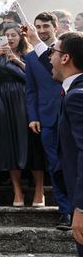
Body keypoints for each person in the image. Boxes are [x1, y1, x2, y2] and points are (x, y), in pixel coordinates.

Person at [25, 12, 73, 229]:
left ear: (55, 26)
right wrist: (33, 116)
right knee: (55, 166)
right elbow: (31, 90)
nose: (41, 30)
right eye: (38, 27)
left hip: (71, 113)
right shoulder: (30, 57)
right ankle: (66, 212)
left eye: (45, 26)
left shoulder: (69, 49)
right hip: (46, 118)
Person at [0, 24, 45, 207]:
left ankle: (39, 190)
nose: (10, 38)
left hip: (24, 100)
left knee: (31, 144)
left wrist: (17, 61)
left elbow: (32, 78)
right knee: (9, 145)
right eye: (7, 35)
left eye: (13, 35)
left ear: (21, 37)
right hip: (3, 101)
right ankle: (17, 191)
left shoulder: (29, 55)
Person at [48, 31, 83, 255]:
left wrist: (80, 208)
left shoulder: (76, 96)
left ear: (65, 58)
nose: (49, 57)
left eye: (53, 52)